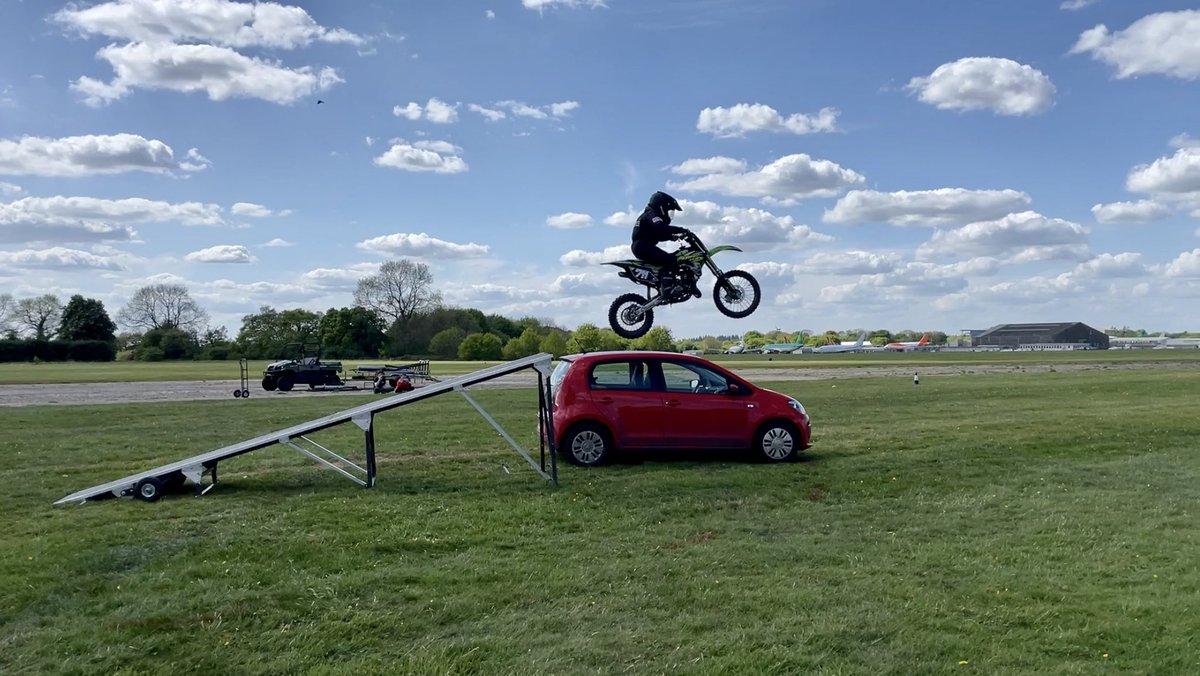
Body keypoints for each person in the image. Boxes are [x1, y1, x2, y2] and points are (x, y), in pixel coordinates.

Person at [631, 191, 698, 297]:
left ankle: (669, 284)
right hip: (642, 247)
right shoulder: (651, 214)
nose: (669, 213)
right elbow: (660, 227)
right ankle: (667, 289)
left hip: (642, 246)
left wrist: (673, 237)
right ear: (661, 206)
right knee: (670, 260)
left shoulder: (648, 215)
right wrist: (681, 230)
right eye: (668, 209)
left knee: (668, 260)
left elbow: (658, 234)